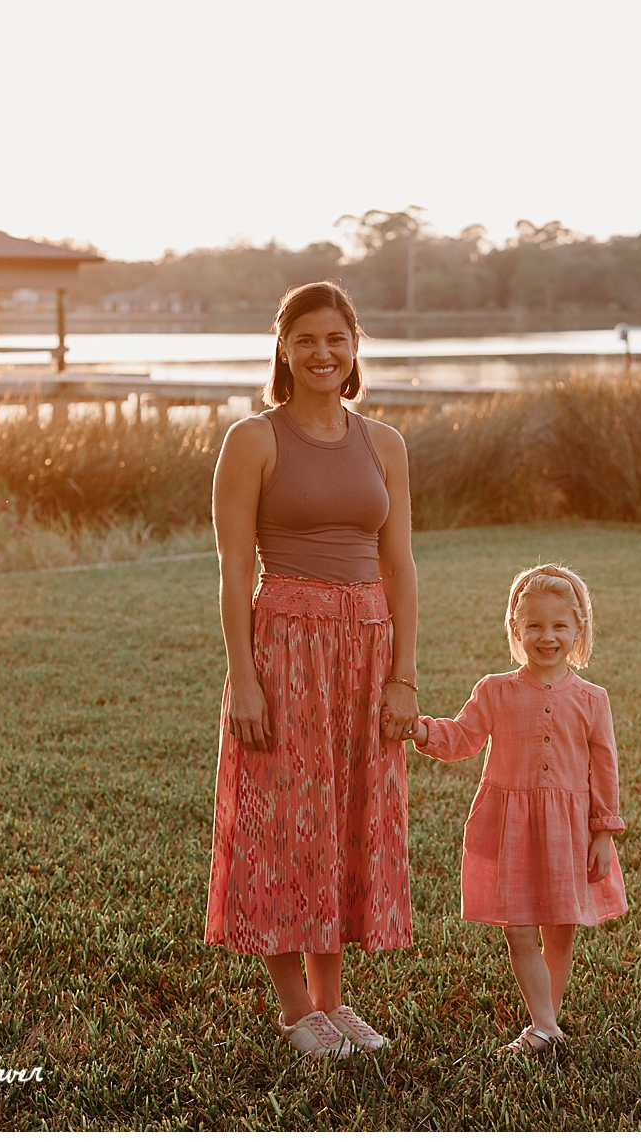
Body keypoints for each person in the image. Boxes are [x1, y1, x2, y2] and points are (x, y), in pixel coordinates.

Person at [205, 281, 421, 1058]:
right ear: (284, 349)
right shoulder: (252, 440)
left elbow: (399, 565)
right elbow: (233, 572)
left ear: (355, 346)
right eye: (307, 340)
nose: (323, 354)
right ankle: (298, 1012)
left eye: (337, 339)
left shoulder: (385, 443)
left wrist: (404, 675)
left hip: (366, 650)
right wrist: (246, 677)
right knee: (284, 826)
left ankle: (334, 1004)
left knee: (344, 824)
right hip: (284, 649)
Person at [394, 564, 627, 1054]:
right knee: (519, 928)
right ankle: (545, 1025)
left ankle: (545, 1025)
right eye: (535, 626)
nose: (547, 636)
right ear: (516, 629)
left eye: (560, 626)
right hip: (510, 827)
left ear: (578, 630)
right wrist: (421, 730)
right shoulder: (494, 690)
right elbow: (463, 737)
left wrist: (603, 831)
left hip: (569, 829)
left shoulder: (593, 699)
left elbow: (603, 768)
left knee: (559, 930)